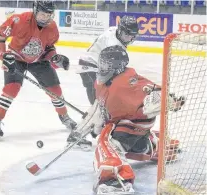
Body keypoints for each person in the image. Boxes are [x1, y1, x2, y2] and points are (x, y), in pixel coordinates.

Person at [69, 45, 185, 194]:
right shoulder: (103, 81)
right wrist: (81, 129)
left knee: (107, 141)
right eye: (102, 63)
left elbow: (149, 91)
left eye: (107, 64)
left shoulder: (127, 82)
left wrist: (166, 100)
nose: (103, 67)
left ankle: (116, 179)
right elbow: (99, 106)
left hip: (132, 123)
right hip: (129, 125)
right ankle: (158, 147)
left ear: (118, 66)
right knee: (135, 149)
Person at [0, 0, 77, 141]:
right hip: (15, 58)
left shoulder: (52, 27)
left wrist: (55, 58)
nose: (45, 18)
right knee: (11, 89)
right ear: (35, 11)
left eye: (48, 15)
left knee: (56, 91)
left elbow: (48, 48)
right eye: (42, 14)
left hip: (39, 61)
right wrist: (4, 54)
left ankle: (64, 117)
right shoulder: (20, 20)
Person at [77, 15, 139, 105]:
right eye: (127, 35)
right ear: (120, 31)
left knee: (107, 92)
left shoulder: (115, 31)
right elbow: (110, 68)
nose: (130, 39)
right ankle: (96, 112)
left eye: (132, 36)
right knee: (98, 97)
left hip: (98, 63)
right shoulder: (113, 44)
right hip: (88, 65)